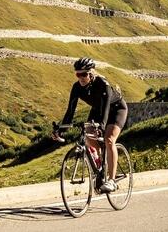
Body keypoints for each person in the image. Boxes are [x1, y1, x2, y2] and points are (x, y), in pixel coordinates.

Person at [52, 57, 129, 193]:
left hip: (116, 109)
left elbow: (105, 110)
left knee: (109, 139)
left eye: (84, 74)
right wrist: (61, 129)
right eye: (78, 74)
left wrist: (102, 126)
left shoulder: (103, 84)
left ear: (91, 73)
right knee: (88, 137)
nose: (81, 77)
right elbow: (70, 111)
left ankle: (112, 181)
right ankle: (100, 168)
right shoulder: (76, 88)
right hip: (97, 110)